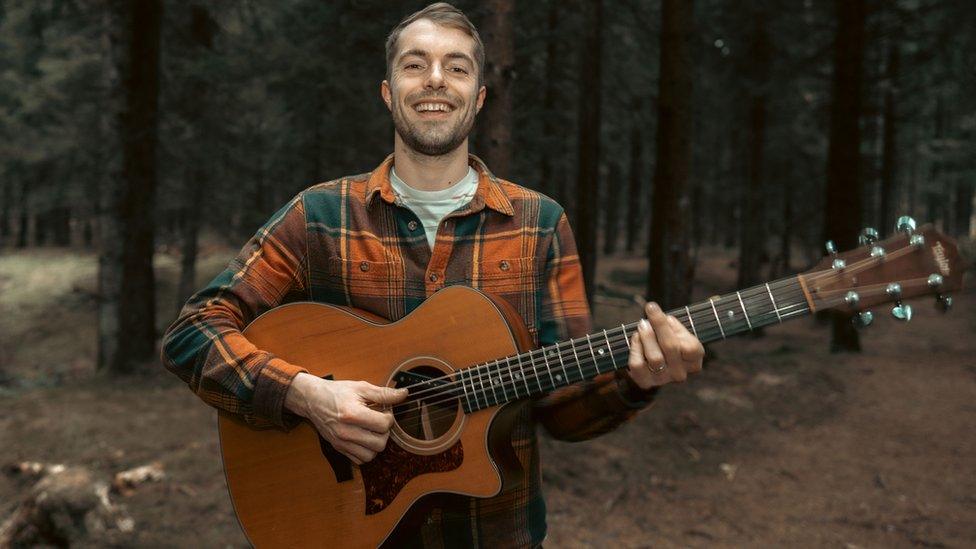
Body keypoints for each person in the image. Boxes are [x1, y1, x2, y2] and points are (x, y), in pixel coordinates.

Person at [161, 3, 704, 546]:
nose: (436, 80)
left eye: (458, 67)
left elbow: (563, 413)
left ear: (480, 97)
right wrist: (305, 396)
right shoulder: (319, 216)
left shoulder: (540, 224)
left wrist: (636, 381)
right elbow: (192, 333)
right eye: (415, 65)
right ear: (387, 91)